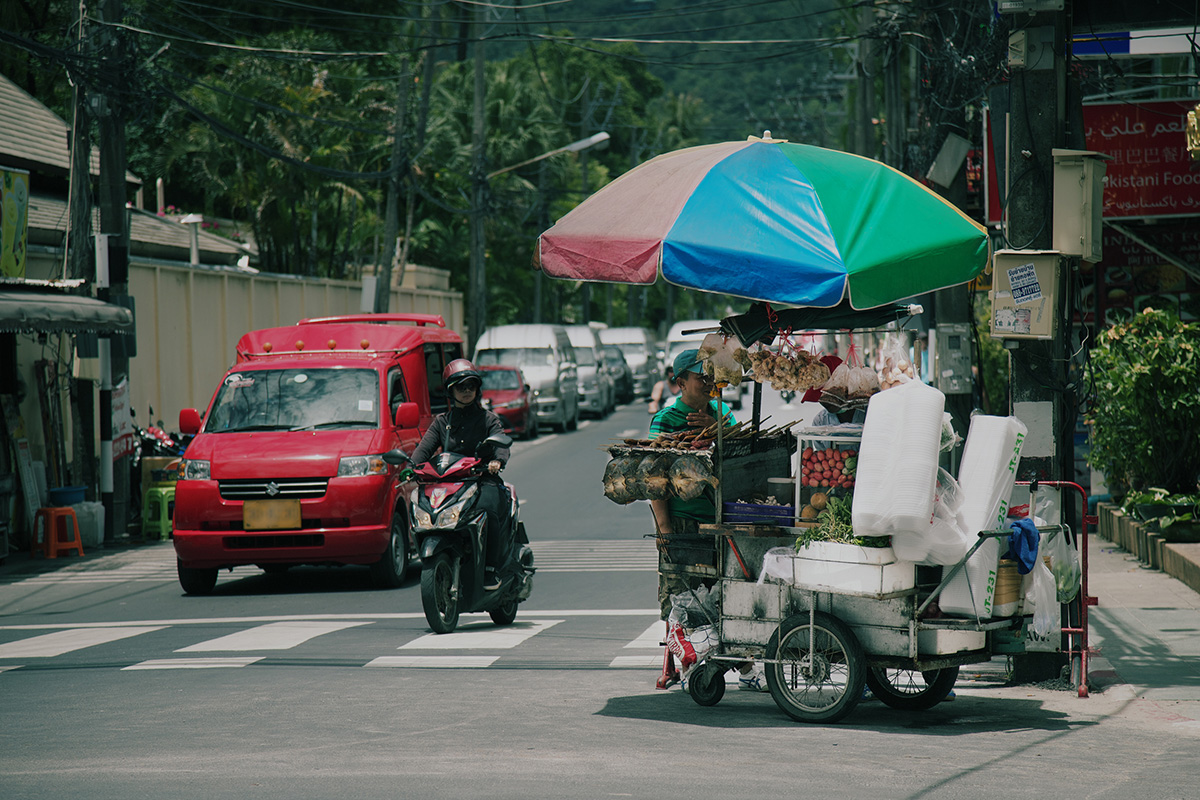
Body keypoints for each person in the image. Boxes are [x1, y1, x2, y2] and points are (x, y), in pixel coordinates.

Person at [647, 349, 762, 691]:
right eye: (701, 377)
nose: (709, 382)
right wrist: (665, 528)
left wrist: (720, 430)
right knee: (677, 595)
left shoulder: (723, 411)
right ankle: (673, 665)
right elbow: (653, 476)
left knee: (723, 594)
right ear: (680, 382)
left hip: (722, 520)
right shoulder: (665, 420)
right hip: (683, 522)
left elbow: (746, 453)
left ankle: (742, 663)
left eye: (711, 375)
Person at [411, 358, 512, 591]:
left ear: (477, 389)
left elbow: (501, 445)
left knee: (489, 509)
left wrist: (497, 460)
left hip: (482, 479)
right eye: (460, 387)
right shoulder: (442, 422)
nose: (466, 391)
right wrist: (408, 468)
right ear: (451, 391)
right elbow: (423, 450)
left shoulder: (488, 419)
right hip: (450, 483)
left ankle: (490, 569)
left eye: (470, 386)